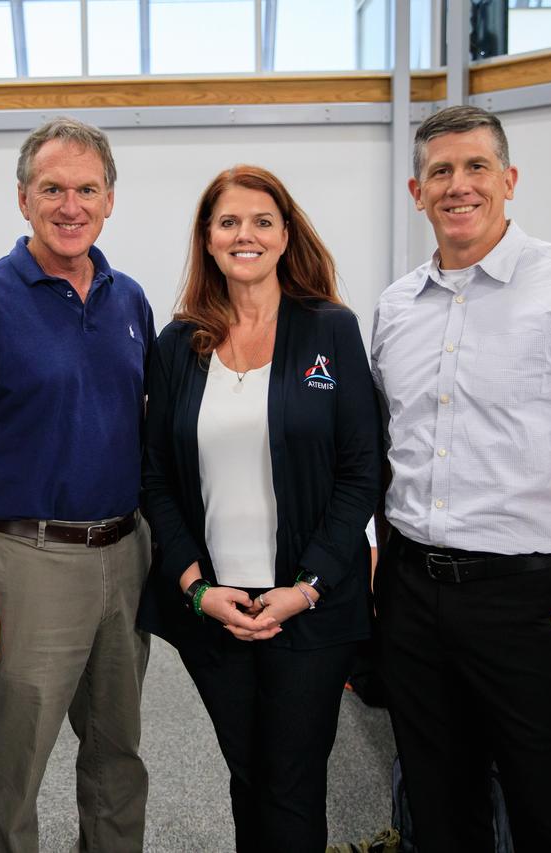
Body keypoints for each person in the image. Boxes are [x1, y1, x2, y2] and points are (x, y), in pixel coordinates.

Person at [371, 105, 551, 853]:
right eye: (440, 171)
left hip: (527, 605)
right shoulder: (395, 308)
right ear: (416, 190)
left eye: (475, 167)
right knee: (437, 812)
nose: (458, 185)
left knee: (548, 816)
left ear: (509, 179)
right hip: (410, 593)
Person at [0, 117, 156, 853]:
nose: (70, 205)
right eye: (52, 188)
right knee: (10, 773)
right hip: (26, 563)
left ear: (111, 199)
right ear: (23, 198)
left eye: (87, 188)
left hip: (124, 555)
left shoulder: (130, 301)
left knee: (118, 759)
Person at [139, 165, 381, 852]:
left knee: (291, 781)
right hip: (216, 608)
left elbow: (361, 472)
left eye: (261, 221)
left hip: (311, 602)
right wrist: (196, 588)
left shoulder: (330, 330)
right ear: (208, 240)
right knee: (249, 775)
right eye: (228, 222)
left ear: (284, 235)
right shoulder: (178, 345)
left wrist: (305, 588)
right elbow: (155, 478)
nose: (245, 234)